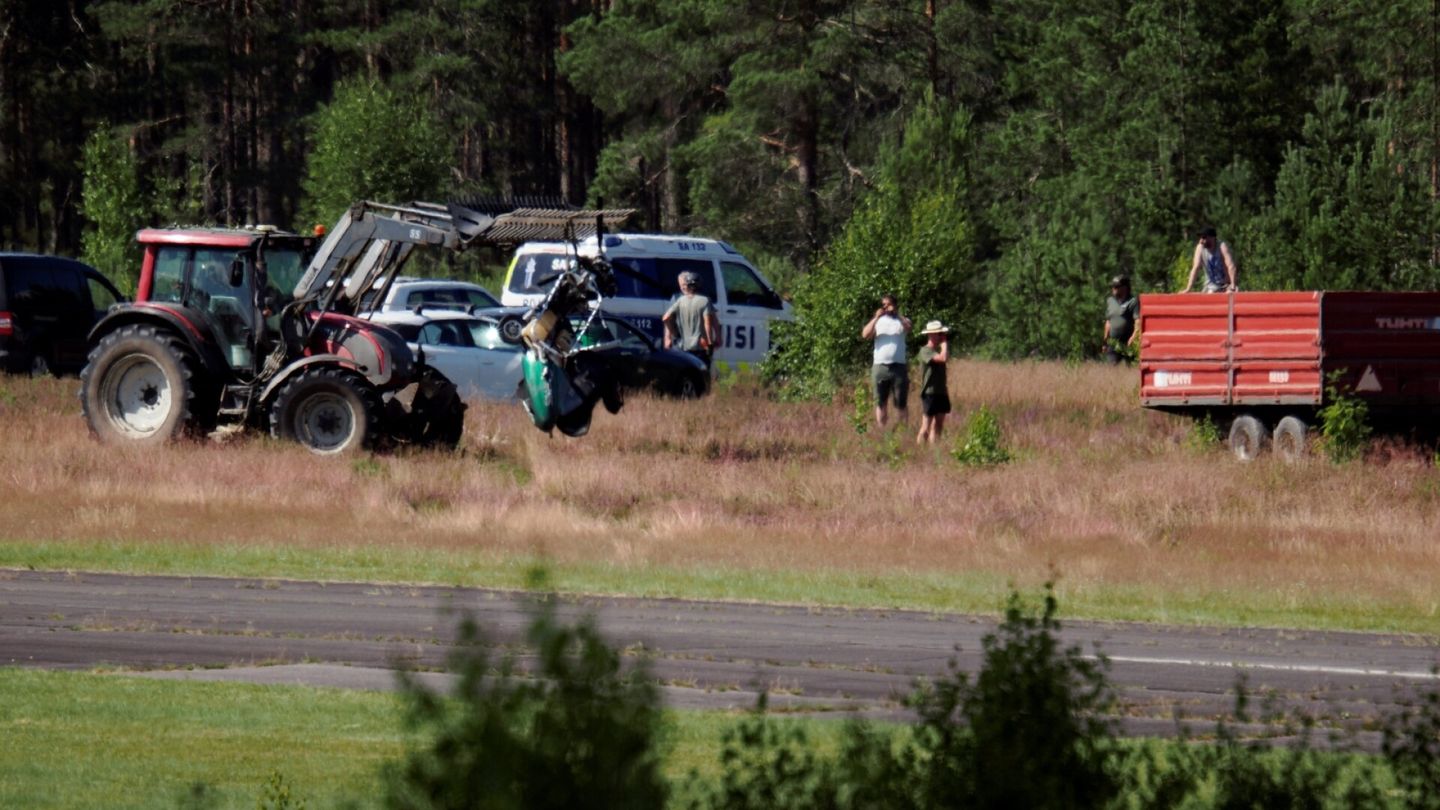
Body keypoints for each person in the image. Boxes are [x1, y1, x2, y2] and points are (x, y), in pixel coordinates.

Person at [861, 293, 912, 428]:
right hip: (880, 367)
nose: (885, 307)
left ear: (894, 305)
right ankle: (882, 430)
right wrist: (876, 317)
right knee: (880, 402)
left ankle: (902, 431)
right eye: (883, 305)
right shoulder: (878, 322)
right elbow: (865, 334)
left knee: (901, 402)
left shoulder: (902, 321)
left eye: (888, 304)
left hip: (899, 367)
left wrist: (898, 314)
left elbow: (908, 328)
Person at [662, 270, 721, 369]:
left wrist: (673, 334)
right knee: (701, 372)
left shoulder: (680, 300)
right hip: (699, 346)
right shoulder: (704, 300)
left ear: (688, 284)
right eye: (680, 285)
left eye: (684, 284)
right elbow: (709, 322)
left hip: (684, 345)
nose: (682, 287)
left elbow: (666, 318)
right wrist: (711, 342)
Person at [915, 320, 951, 444]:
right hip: (930, 392)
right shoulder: (925, 351)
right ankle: (919, 449)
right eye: (938, 334)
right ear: (930, 335)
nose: (941, 336)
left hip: (941, 391)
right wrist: (945, 344)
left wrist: (943, 347)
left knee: (938, 425)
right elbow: (943, 358)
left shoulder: (937, 351)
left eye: (941, 334)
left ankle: (934, 451)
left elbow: (943, 357)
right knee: (926, 426)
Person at [1182, 226, 1237, 293]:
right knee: (1210, 293)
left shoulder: (1221, 246)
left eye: (1204, 238)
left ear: (1212, 238)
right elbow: (1195, 268)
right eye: (1200, 238)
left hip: (1225, 285)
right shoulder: (1200, 248)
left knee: (1231, 293)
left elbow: (1231, 266)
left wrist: (1233, 286)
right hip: (1210, 286)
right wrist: (1188, 288)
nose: (1201, 241)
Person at [1103, 274, 1139, 364]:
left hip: (1128, 343)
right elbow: (1108, 322)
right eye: (1113, 287)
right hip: (1113, 343)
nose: (1114, 289)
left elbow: (1138, 322)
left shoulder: (1133, 301)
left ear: (1125, 287)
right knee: (1111, 370)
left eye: (1116, 287)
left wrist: (1133, 337)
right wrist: (1105, 341)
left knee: (1131, 369)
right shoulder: (1110, 301)